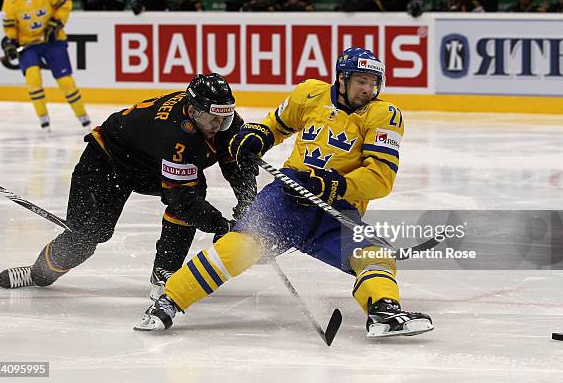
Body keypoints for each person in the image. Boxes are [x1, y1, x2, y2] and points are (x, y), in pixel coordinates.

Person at [134, 47, 434, 339]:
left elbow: (380, 178)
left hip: (335, 210)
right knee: (241, 247)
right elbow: (275, 126)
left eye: (373, 83)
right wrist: (257, 136)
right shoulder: (310, 94)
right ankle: (168, 301)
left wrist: (332, 185)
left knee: (374, 254)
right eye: (361, 81)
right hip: (287, 197)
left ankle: (384, 313)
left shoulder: (385, 115)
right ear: (341, 79)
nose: (368, 89)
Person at [0, 73, 258, 302]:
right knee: (87, 237)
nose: (217, 126)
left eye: (223, 119)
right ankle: (37, 273)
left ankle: (164, 271)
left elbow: (235, 163)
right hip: (107, 162)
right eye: (210, 118)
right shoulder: (175, 135)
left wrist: (248, 204)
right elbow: (181, 200)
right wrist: (221, 226)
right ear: (193, 110)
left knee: (194, 188)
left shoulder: (225, 121)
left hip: (149, 165)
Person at [1, 0, 90, 130]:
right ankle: (43, 117)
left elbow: (66, 3)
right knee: (33, 78)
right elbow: (10, 26)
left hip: (52, 41)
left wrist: (56, 24)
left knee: (65, 81)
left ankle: (82, 115)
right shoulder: (10, 0)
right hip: (28, 44)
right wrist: (11, 41)